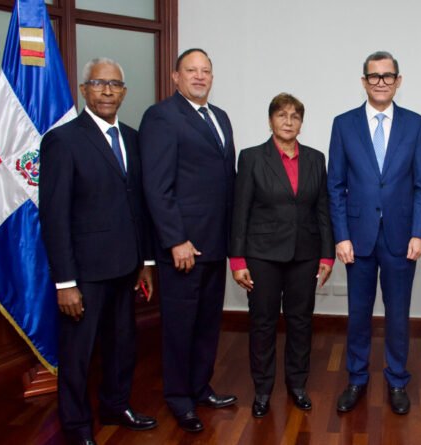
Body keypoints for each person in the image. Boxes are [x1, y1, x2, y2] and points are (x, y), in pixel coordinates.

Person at [39, 58, 157, 445]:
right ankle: (76, 427)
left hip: (126, 266)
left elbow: (139, 205)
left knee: (122, 345)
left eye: (115, 85)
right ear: (84, 89)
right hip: (84, 273)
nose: (107, 91)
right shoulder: (63, 140)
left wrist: (145, 261)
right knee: (78, 355)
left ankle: (115, 406)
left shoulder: (134, 139)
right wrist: (65, 282)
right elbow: (54, 215)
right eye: (98, 83)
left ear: (124, 92)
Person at [327, 51, 421, 415]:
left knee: (398, 314)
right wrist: (341, 236)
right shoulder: (344, 124)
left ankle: (397, 380)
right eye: (374, 76)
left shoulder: (415, 124)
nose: (381, 82)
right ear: (364, 81)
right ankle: (357, 378)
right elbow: (335, 185)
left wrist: (419, 232)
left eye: (388, 76)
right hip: (357, 237)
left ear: (398, 81)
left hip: (402, 237)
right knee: (358, 313)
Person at [139, 48, 237, 433]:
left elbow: (224, 182)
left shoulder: (220, 117)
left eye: (205, 71)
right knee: (180, 327)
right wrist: (175, 239)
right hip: (183, 247)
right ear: (175, 77)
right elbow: (156, 186)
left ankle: (200, 388)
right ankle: (179, 398)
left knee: (207, 324)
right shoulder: (161, 117)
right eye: (191, 70)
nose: (199, 76)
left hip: (215, 242)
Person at [229, 93, 334, 418]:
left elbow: (323, 209)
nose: (288, 122)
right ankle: (262, 389)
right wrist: (237, 260)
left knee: (301, 321)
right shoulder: (251, 158)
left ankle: (297, 384)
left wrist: (327, 255)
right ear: (270, 120)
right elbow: (240, 211)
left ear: (301, 123)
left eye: (295, 116)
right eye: (281, 115)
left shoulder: (315, 159)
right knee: (262, 323)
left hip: (305, 253)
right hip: (262, 255)